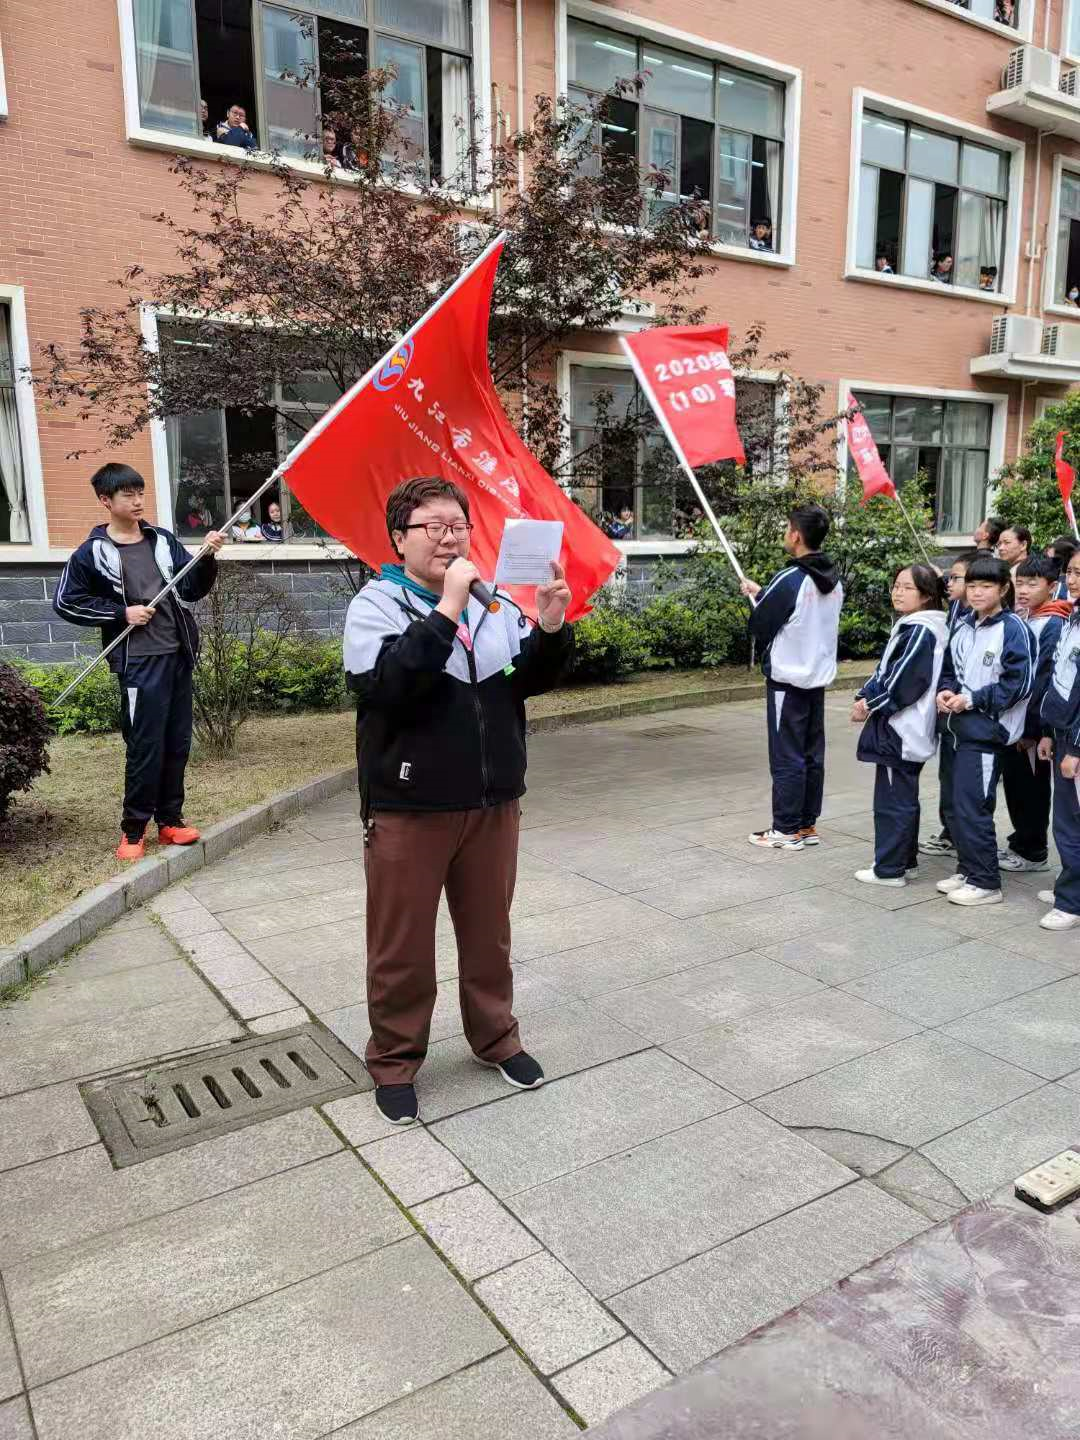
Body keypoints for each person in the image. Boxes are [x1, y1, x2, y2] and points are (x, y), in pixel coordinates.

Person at [343, 476, 574, 1125]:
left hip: (492, 801)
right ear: (399, 538)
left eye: (458, 525)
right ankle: (394, 1058)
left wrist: (551, 625)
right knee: (401, 946)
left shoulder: (493, 602)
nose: (449, 536)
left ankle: (496, 1038)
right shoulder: (377, 605)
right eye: (432, 526)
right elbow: (391, 686)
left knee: (488, 936)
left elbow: (525, 679)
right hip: (410, 807)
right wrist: (445, 609)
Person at [52, 463, 224, 859]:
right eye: (128, 494)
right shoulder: (91, 553)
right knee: (145, 745)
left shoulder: (161, 540)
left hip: (176, 655)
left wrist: (207, 558)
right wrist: (121, 613)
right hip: (138, 663)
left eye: (140, 492)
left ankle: (170, 823)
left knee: (177, 743)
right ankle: (133, 830)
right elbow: (66, 602)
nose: (137, 501)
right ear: (105, 501)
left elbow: (192, 589)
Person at [740, 504, 843, 851]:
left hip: (788, 680)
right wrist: (763, 593)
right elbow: (800, 613)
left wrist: (757, 600)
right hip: (816, 679)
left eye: (787, 528)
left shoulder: (792, 577)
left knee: (787, 755)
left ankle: (784, 828)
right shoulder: (832, 579)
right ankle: (805, 825)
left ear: (796, 535)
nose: (786, 532)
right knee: (811, 754)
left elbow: (762, 625)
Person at [935, 554, 1035, 906]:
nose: (976, 593)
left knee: (974, 805)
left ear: (1003, 589)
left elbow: (1018, 684)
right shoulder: (963, 623)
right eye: (972, 585)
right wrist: (945, 691)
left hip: (987, 731)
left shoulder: (1013, 629)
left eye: (986, 586)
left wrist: (972, 699)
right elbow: (949, 668)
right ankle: (968, 868)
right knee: (957, 804)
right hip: (957, 727)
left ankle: (985, 881)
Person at [850, 565, 949, 886]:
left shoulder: (921, 630)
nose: (898, 592)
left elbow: (904, 682)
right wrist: (865, 692)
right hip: (906, 728)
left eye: (907, 587)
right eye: (896, 585)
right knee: (902, 797)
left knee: (893, 801)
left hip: (902, 729)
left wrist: (868, 704)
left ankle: (890, 869)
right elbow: (886, 671)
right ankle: (904, 862)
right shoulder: (916, 626)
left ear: (926, 595)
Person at [999, 555, 1072, 874]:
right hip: (1015, 722)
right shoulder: (1027, 617)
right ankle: (1021, 842)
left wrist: (1032, 730)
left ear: (1052, 586)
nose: (1024, 590)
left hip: (1030, 727)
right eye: (1020, 583)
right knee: (1016, 784)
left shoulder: (1053, 623)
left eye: (1032, 583)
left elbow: (1043, 680)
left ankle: (1033, 849)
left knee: (1030, 787)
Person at [920, 552, 975, 857]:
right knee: (947, 775)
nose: (948, 583)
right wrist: (944, 689)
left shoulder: (984, 624)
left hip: (970, 715)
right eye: (949, 577)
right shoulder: (956, 611)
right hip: (948, 709)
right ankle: (950, 832)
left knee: (965, 784)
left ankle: (965, 844)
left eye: (956, 578)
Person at [1037, 548, 1080, 929]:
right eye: (1071, 572)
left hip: (1077, 741)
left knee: (1070, 822)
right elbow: (1060, 680)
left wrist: (1076, 747)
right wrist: (1050, 732)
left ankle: (1071, 901)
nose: (1074, 580)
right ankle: (1070, 886)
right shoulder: (1071, 617)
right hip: (1062, 731)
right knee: (1065, 819)